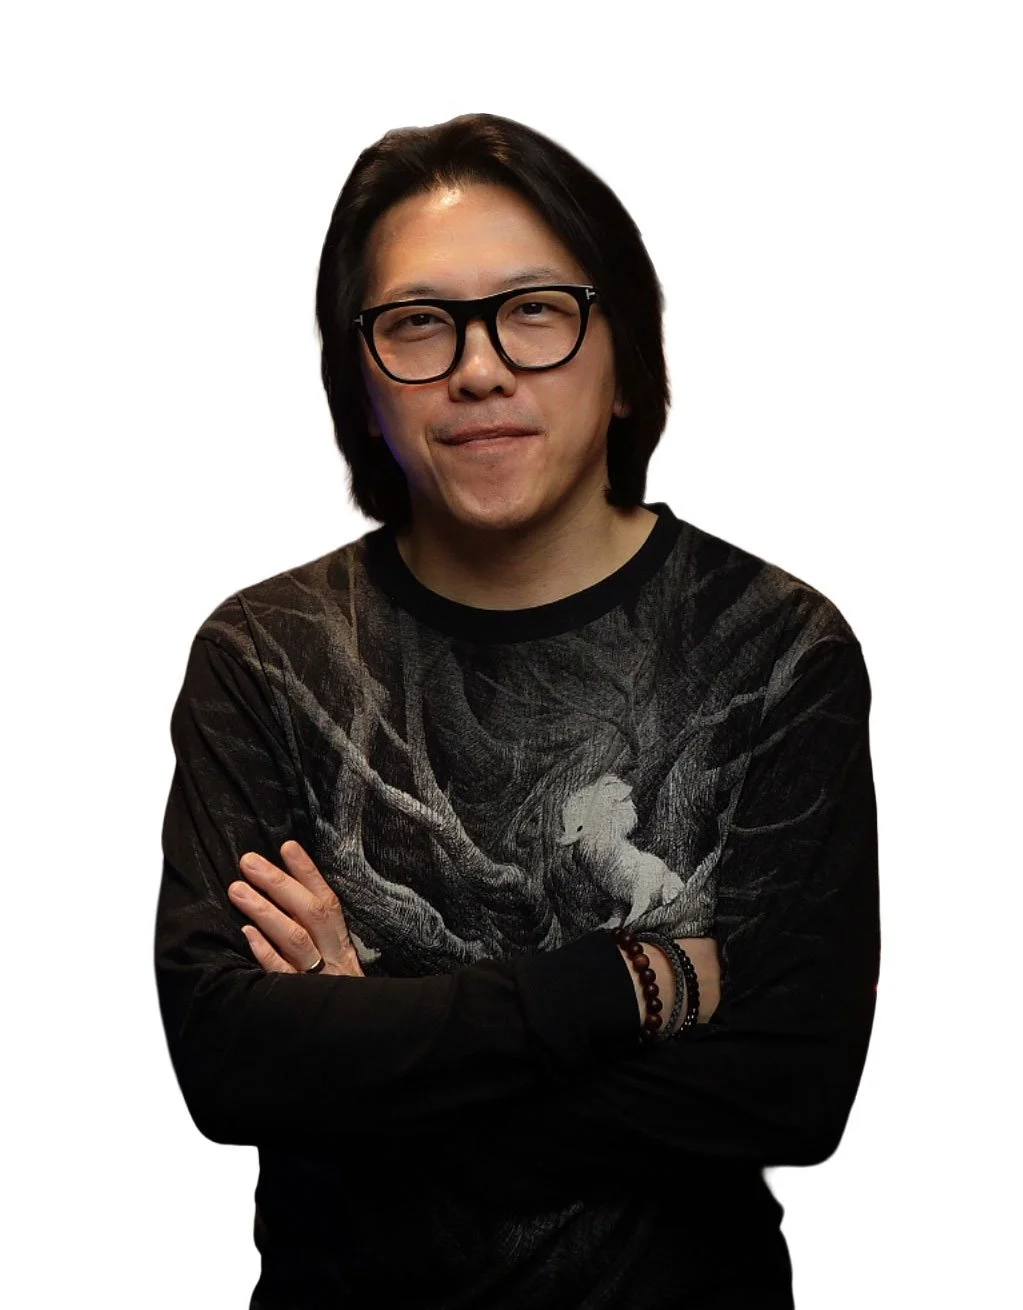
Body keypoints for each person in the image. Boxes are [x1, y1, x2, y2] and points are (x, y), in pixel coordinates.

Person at [155, 112, 880, 1310]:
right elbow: (230, 1060)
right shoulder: (268, 657)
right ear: (360, 380)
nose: (479, 366)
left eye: (535, 310)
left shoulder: (778, 649)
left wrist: (365, 1044)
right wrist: (623, 985)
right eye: (419, 322)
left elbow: (790, 1090)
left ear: (625, 356)